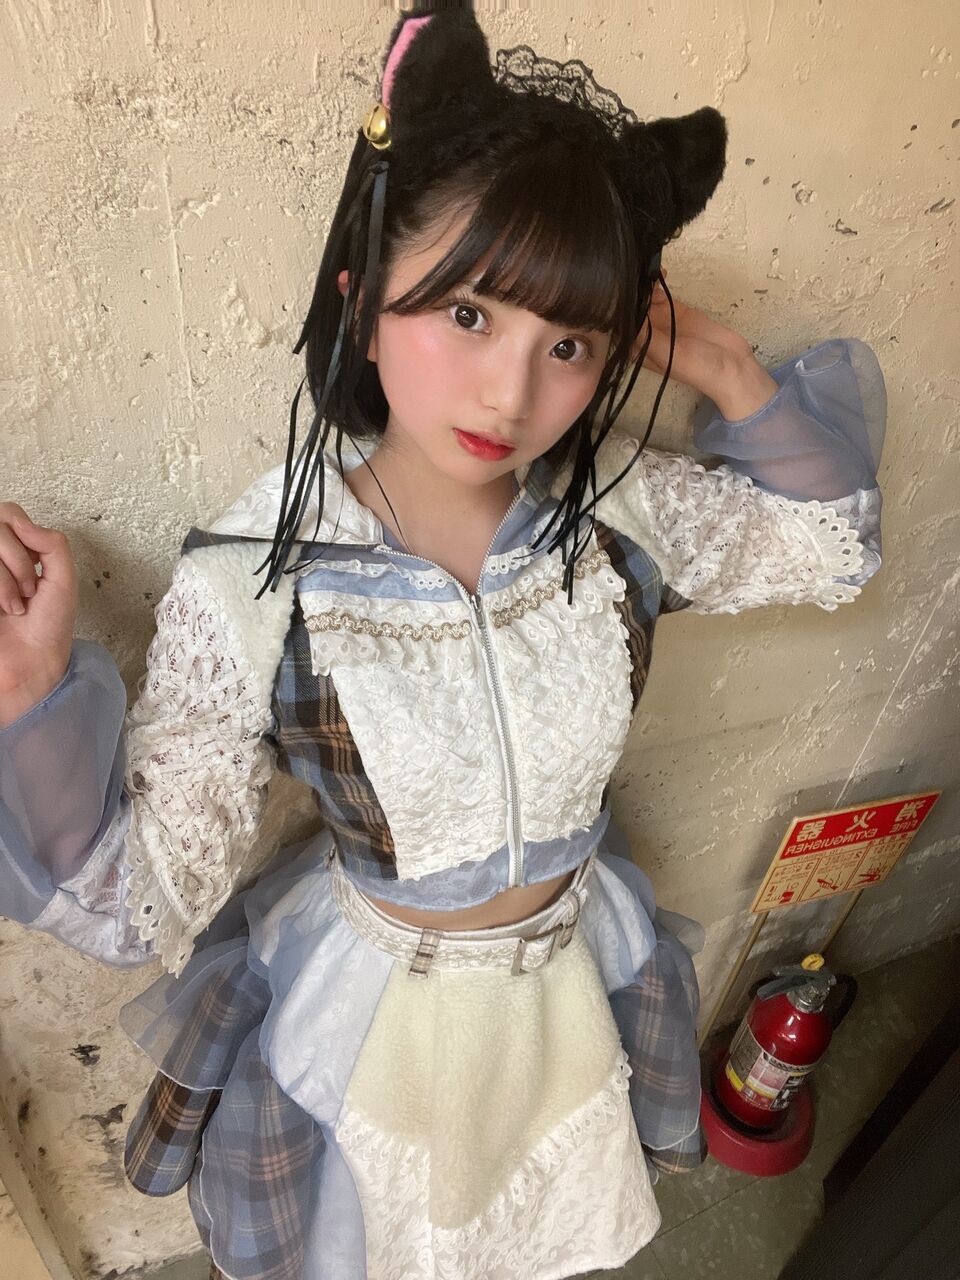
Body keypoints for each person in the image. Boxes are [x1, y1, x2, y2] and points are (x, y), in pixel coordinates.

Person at [0, 6, 886, 1279]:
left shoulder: (614, 519)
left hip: (575, 974)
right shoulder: (260, 578)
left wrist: (718, 359)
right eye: (468, 313)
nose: (510, 394)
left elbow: (828, 546)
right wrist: (32, 697)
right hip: (373, 1016)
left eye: (567, 344)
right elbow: (131, 906)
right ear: (363, 301)